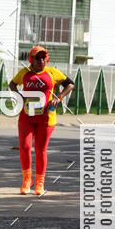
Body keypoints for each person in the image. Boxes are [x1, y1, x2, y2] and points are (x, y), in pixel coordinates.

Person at [8, 46, 74, 195]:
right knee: (25, 147)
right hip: (27, 117)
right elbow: (12, 84)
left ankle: (39, 182)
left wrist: (59, 97)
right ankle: (27, 180)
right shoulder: (24, 73)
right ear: (31, 59)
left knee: (40, 150)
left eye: (44, 57)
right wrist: (20, 96)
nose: (41, 60)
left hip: (46, 118)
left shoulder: (52, 72)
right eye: (38, 58)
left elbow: (70, 84)